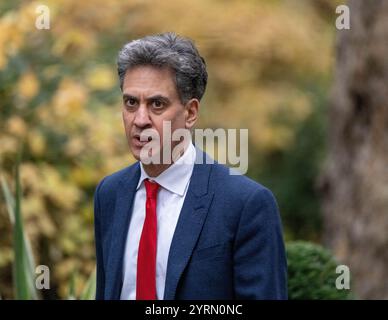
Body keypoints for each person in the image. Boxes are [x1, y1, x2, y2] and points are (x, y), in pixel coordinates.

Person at [94, 32, 287, 300]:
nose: (139, 120)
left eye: (157, 104)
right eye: (131, 102)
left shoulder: (246, 204)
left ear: (191, 112)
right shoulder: (109, 194)